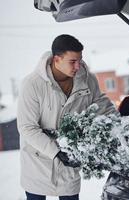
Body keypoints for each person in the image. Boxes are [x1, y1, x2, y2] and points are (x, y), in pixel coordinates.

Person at [17, 34, 118, 200]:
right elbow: (27, 127)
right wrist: (56, 152)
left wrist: (119, 126)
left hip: (70, 161)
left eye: (80, 60)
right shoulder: (32, 84)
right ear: (57, 59)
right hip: (37, 161)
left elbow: (102, 105)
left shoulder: (87, 79)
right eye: (72, 61)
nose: (78, 66)